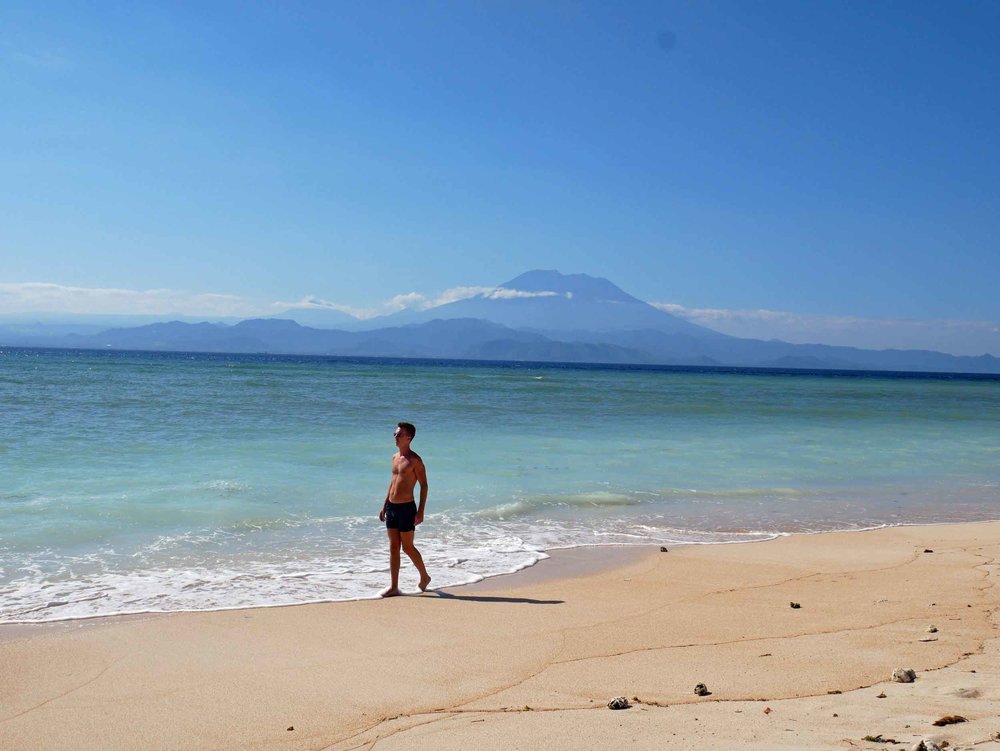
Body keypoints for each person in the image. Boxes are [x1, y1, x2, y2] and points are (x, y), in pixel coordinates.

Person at [378, 421, 431, 597]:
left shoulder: (415, 460)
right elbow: (393, 482)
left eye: (399, 434)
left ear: (409, 438)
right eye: (395, 434)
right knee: (393, 547)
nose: (395, 436)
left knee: (407, 547)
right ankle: (394, 586)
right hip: (392, 507)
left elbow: (424, 485)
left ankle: (425, 577)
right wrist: (385, 505)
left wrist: (421, 511)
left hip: (407, 508)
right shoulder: (394, 457)